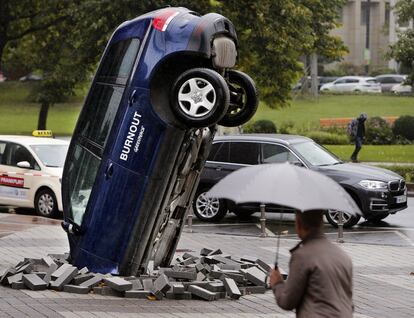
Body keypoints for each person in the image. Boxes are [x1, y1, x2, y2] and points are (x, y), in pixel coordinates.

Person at [269, 211, 353, 318]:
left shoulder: (302, 256)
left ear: (298, 224)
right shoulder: (342, 256)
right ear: (321, 223)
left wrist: (277, 283)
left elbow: (287, 302)